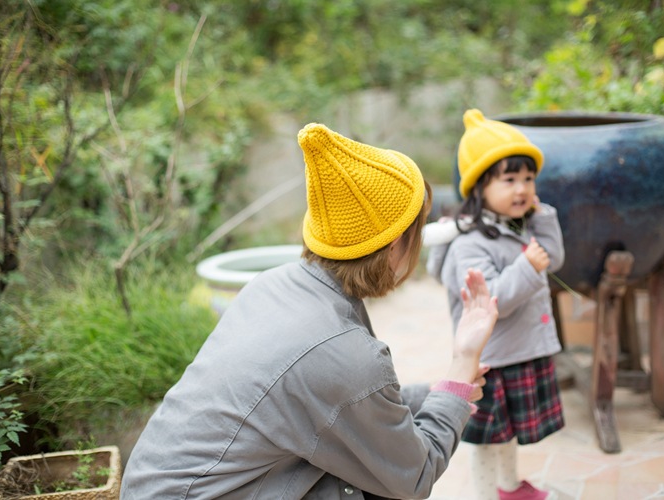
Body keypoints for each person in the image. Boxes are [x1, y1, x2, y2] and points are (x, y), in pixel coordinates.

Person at [120, 122, 499, 499]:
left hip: (152, 486)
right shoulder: (343, 353)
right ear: (397, 242)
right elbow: (413, 476)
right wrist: (460, 373)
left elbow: (340, 402)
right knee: (372, 485)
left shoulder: (272, 285)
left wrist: (433, 393)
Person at [425, 109, 565, 500]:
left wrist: (543, 214)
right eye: (509, 180)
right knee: (488, 440)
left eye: (528, 179)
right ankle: (488, 494)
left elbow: (554, 259)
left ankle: (509, 486)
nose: (522, 188)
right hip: (493, 361)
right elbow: (489, 303)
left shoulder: (520, 225)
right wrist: (526, 266)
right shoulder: (470, 243)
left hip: (521, 352)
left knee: (509, 434)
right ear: (479, 188)